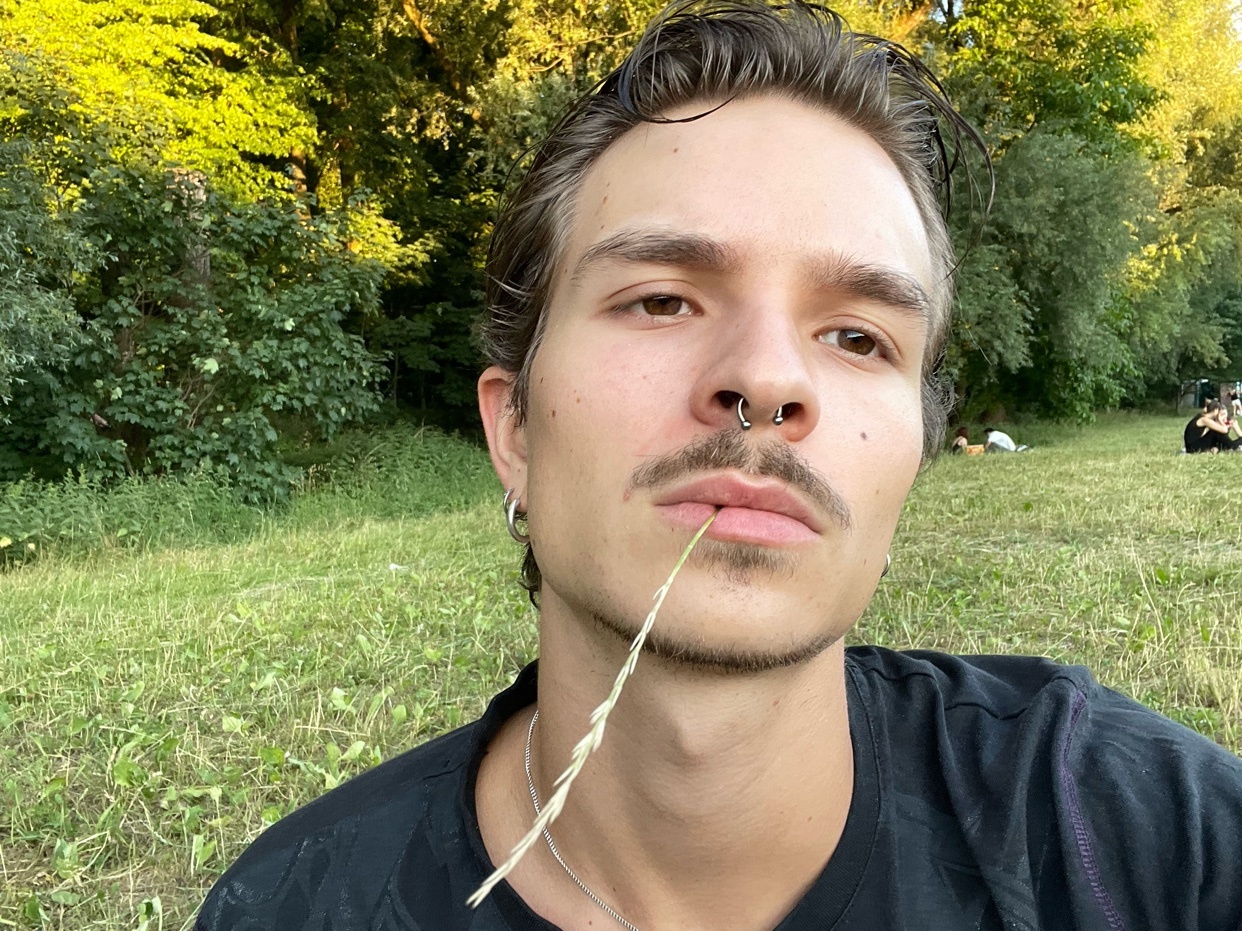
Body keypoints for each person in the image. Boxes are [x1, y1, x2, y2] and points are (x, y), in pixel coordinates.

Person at [197, 3, 1242, 929]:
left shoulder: (1144, 842)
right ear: (514, 428)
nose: (767, 380)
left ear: (911, 467)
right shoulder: (293, 905)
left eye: (858, 336)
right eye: (662, 300)